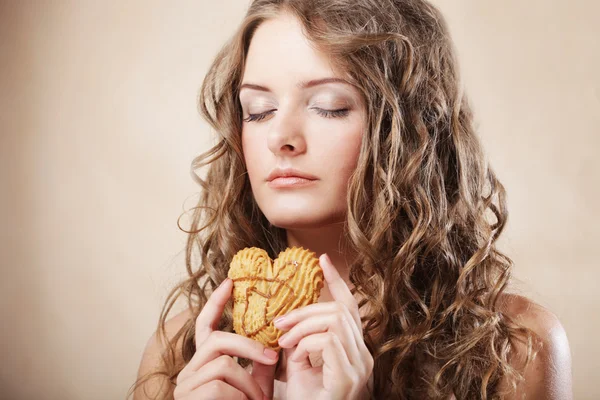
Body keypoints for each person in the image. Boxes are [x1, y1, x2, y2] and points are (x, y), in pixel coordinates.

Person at [128, 0, 572, 399]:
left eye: (329, 106)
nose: (280, 137)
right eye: (258, 111)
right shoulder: (178, 354)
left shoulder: (514, 348)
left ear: (409, 130)